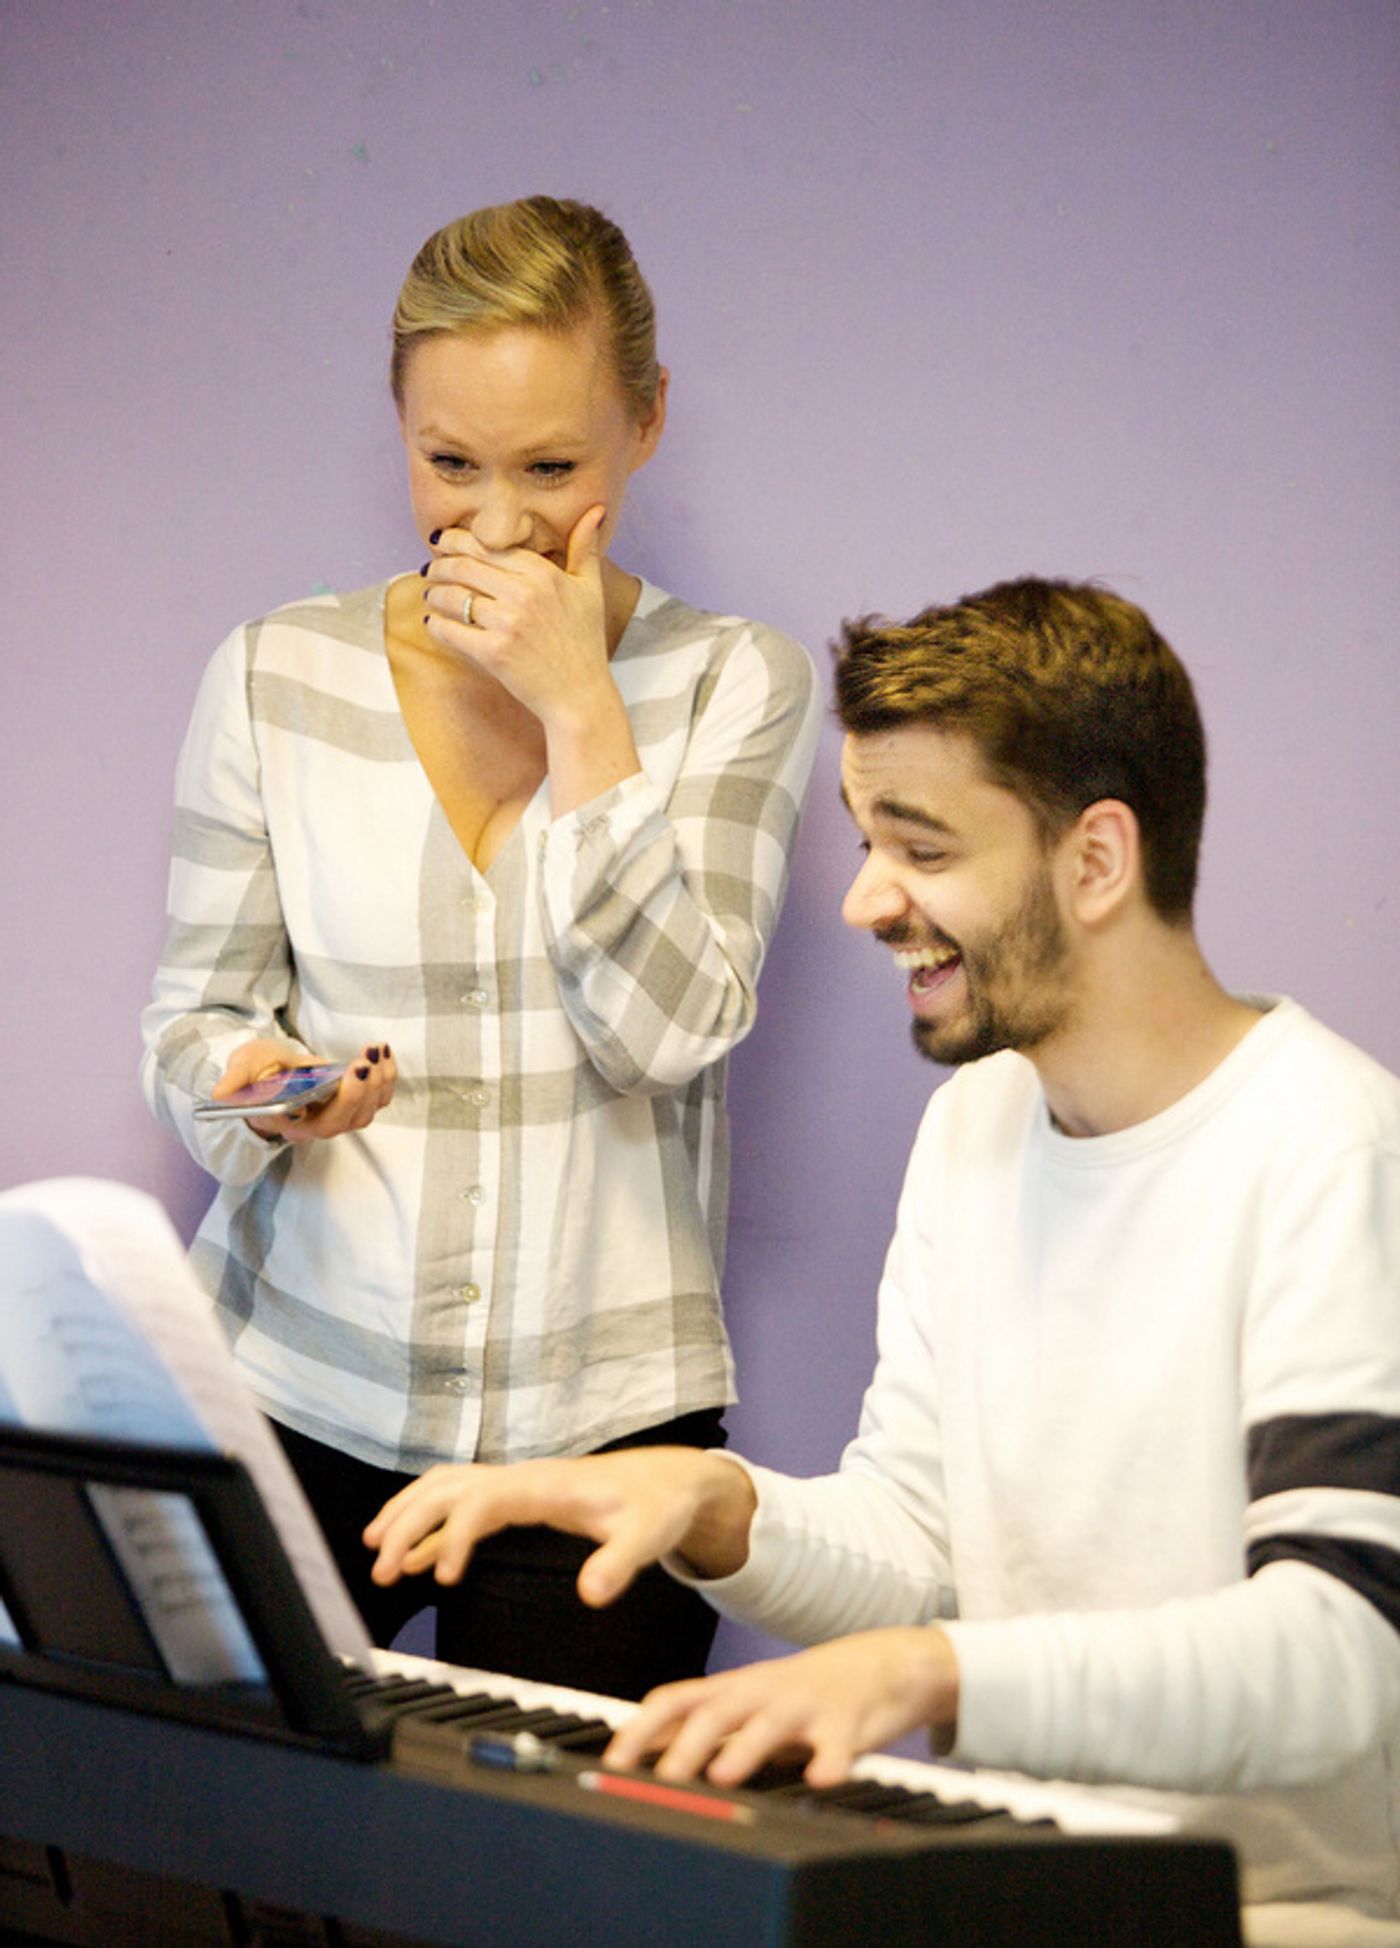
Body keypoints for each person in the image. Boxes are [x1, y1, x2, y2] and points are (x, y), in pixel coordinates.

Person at [364, 578, 1400, 1946]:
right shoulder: (977, 1124)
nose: (864, 902)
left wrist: (924, 1677)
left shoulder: (1335, 1148)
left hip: (1287, 1914)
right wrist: (713, 1506)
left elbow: (1340, 1654)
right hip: (1034, 1881)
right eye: (865, 840)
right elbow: (922, 1550)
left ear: (1096, 861)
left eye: (919, 847)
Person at [141, 195, 821, 1698]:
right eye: (449, 463)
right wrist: (265, 1087)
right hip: (287, 1391)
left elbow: (666, 1034)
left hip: (606, 1431)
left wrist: (584, 710)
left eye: (552, 467)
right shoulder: (275, 673)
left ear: (647, 424)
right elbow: (192, 1026)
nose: (497, 523)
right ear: (397, 421)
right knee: (198, 1873)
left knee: (569, 1894)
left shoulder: (732, 684)